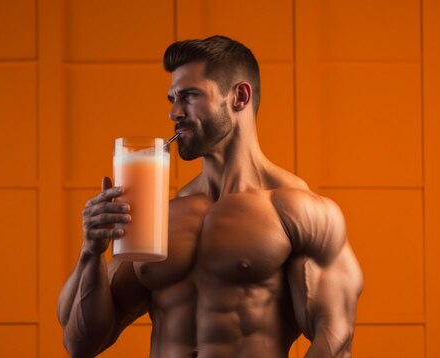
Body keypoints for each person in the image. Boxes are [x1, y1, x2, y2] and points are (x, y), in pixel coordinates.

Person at [57, 35, 363, 358]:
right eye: (172, 98)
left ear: (239, 97)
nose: (174, 112)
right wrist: (91, 251)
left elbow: (335, 337)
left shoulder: (296, 211)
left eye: (189, 96)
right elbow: (81, 342)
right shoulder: (157, 217)